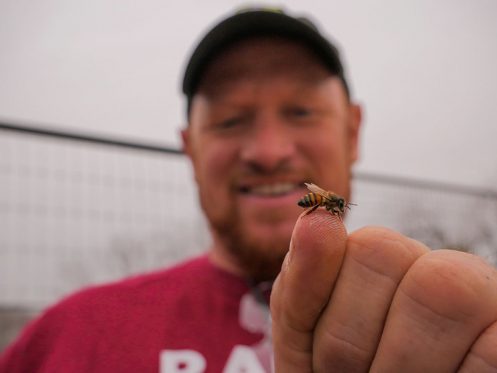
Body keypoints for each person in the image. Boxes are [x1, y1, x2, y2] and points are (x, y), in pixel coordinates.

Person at [1, 7, 497, 373]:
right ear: (189, 149)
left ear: (353, 131)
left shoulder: (455, 331)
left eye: (301, 111)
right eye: (231, 120)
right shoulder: (66, 340)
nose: (268, 150)